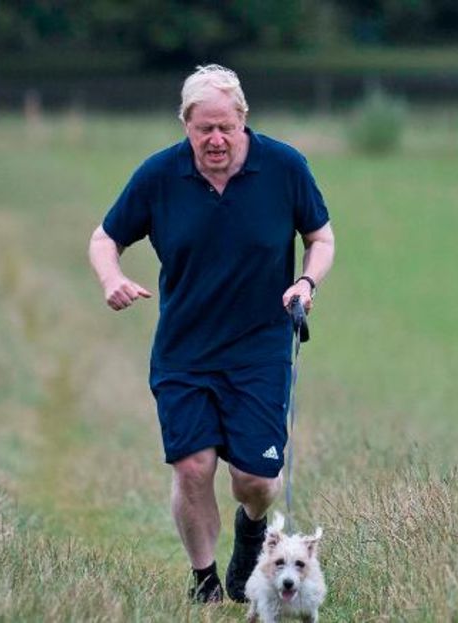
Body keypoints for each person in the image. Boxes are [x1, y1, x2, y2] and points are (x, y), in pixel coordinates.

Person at [87, 64, 335, 604]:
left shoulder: (284, 167)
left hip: (261, 349)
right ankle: (205, 586)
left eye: (225, 126)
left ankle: (251, 531)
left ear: (243, 120)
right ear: (186, 126)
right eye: (204, 129)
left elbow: (321, 236)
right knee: (193, 467)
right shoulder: (159, 176)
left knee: (257, 481)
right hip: (184, 351)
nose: (215, 139)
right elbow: (106, 237)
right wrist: (112, 278)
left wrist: (306, 281)